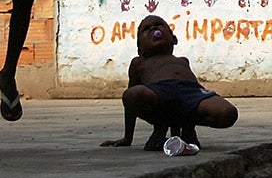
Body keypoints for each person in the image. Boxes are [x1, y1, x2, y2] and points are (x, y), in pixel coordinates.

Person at [100, 14, 239, 153]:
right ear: (140, 48)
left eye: (159, 24)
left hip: (191, 93)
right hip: (160, 94)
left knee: (228, 113)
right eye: (146, 29)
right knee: (132, 95)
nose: (154, 28)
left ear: (173, 39)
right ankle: (161, 127)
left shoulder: (183, 61)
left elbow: (193, 94)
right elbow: (131, 102)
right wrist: (127, 138)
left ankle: (187, 128)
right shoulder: (139, 63)